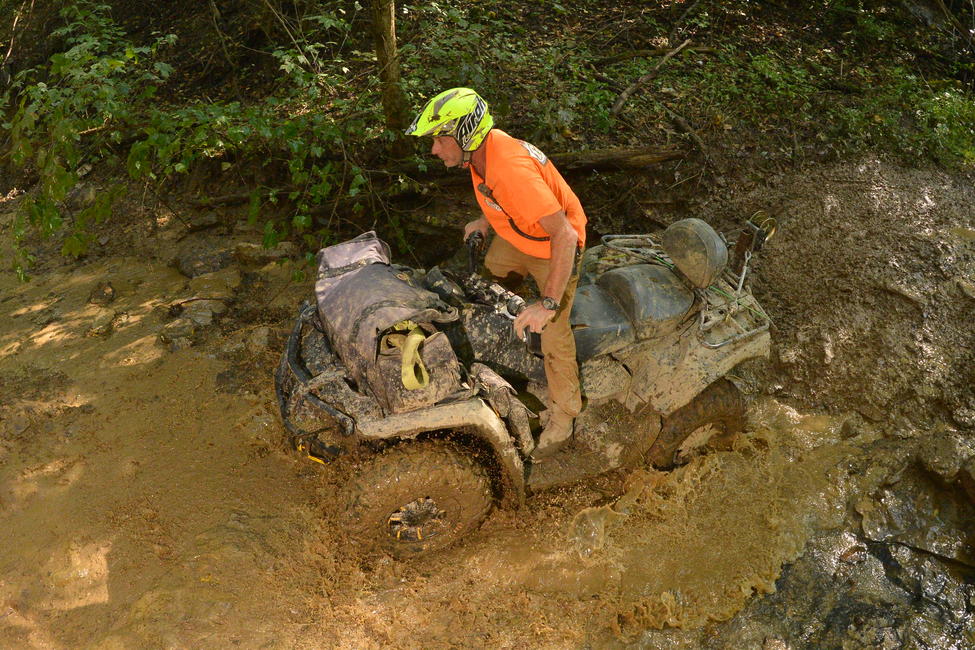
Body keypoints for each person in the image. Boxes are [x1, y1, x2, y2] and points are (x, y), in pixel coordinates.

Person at [405, 87, 587, 460]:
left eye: (440, 139)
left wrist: (548, 303)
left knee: (552, 329)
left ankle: (565, 415)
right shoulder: (480, 156)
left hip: (556, 247)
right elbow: (509, 201)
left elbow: (565, 234)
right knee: (480, 286)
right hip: (519, 236)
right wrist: (486, 220)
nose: (435, 149)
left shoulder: (509, 167)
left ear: (464, 132)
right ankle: (498, 351)